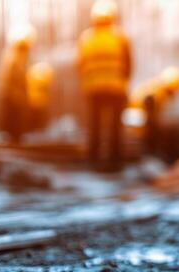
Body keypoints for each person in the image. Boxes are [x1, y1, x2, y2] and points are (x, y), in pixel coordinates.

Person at [77, 0, 131, 171]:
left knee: (95, 125)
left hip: (93, 88)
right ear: (112, 17)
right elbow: (129, 64)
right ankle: (115, 160)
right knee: (115, 125)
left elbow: (80, 65)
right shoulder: (120, 36)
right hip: (115, 87)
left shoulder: (86, 38)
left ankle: (93, 159)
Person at [0, 24, 36, 144]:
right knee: (13, 116)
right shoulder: (14, 58)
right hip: (11, 94)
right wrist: (16, 93)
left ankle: (15, 138)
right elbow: (12, 78)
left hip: (14, 93)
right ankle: (13, 138)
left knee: (16, 117)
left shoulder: (16, 57)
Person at [26, 62, 54, 133]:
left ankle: (34, 132)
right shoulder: (44, 75)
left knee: (34, 121)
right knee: (38, 120)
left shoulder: (33, 72)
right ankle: (38, 131)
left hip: (31, 101)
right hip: (38, 102)